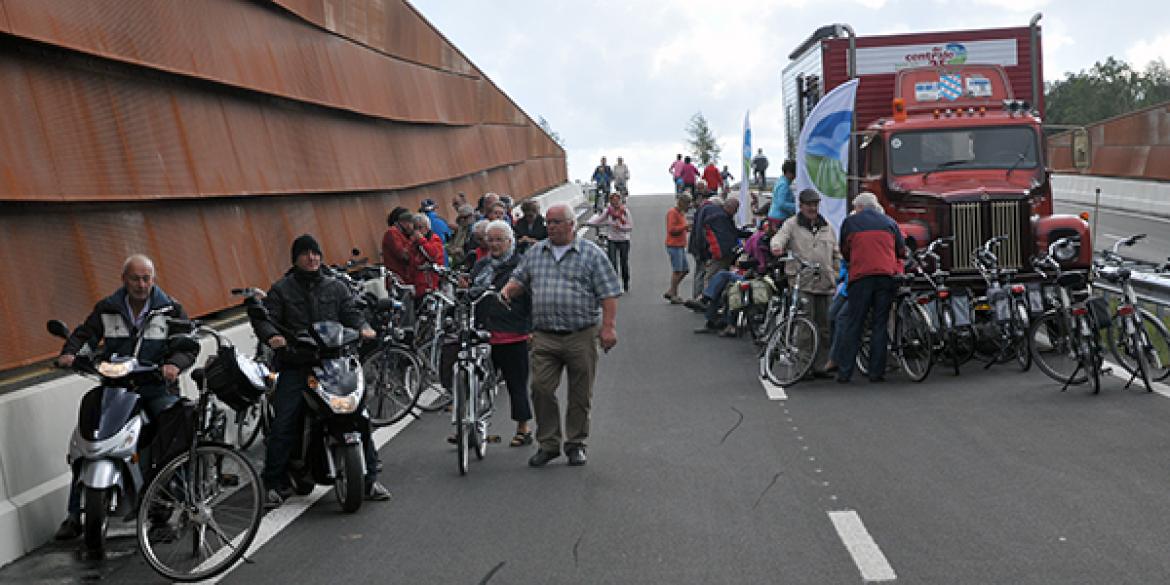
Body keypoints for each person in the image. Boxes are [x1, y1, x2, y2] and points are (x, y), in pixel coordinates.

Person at [52, 255, 199, 540]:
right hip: (115, 388)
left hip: (156, 388)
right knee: (87, 436)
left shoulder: (170, 309)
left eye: (146, 278)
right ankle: (74, 514)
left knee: (172, 432)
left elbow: (187, 345)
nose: (141, 284)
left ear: (153, 280)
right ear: (124, 279)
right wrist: (69, 354)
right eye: (135, 278)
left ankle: (173, 507)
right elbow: (86, 335)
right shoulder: (107, 308)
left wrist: (174, 365)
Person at [250, 235, 389, 507]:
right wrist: (273, 337)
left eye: (315, 253)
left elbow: (352, 313)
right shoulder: (282, 290)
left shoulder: (336, 287)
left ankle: (370, 479)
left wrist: (363, 327)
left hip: (334, 362)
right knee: (285, 422)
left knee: (358, 414)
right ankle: (272, 483)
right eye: (305, 254)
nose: (311, 258)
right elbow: (267, 320)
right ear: (296, 258)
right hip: (297, 364)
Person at [500, 203, 622, 467]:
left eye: (556, 222)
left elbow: (609, 292)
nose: (551, 227)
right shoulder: (536, 252)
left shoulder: (591, 254)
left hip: (581, 333)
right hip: (545, 334)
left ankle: (576, 443)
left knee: (580, 393)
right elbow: (520, 278)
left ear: (571, 225)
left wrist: (608, 327)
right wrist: (509, 290)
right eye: (549, 223)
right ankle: (549, 443)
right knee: (540, 388)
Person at [469, 221, 535, 447]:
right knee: (474, 382)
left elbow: (530, 299)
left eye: (499, 240)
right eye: (491, 240)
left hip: (512, 331)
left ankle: (523, 428)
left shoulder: (521, 266)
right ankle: (470, 425)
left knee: (516, 383)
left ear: (510, 241)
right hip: (482, 331)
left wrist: (531, 328)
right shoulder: (480, 265)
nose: (494, 244)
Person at [770, 189, 841, 377]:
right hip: (803, 282)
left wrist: (839, 269)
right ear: (801, 205)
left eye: (815, 204)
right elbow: (779, 238)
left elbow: (836, 253)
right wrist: (776, 246)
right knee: (805, 329)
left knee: (825, 327)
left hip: (825, 283)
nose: (812, 208)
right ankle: (804, 367)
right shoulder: (791, 225)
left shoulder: (827, 227)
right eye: (809, 204)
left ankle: (821, 365)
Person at [836, 192, 905, 384]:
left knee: (854, 323)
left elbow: (845, 251)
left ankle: (845, 372)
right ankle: (876, 372)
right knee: (880, 324)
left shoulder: (850, 223)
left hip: (861, 277)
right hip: (885, 277)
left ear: (859, 207)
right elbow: (901, 250)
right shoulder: (890, 222)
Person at [587, 192, 634, 292]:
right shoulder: (608, 212)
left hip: (624, 240)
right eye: (613, 201)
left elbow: (630, 226)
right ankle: (615, 284)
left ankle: (626, 282)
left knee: (624, 262)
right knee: (612, 262)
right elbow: (598, 220)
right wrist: (587, 223)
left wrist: (620, 227)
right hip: (612, 239)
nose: (615, 203)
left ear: (620, 201)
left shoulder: (625, 212)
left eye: (617, 201)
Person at [663, 193, 691, 303]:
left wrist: (687, 228)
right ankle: (674, 294)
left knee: (685, 269)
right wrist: (685, 227)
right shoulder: (673, 213)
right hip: (674, 245)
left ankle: (671, 290)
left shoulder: (681, 213)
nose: (689, 206)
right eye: (688, 204)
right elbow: (672, 229)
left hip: (680, 245)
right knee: (677, 270)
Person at [411, 214, 446, 296]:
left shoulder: (434, 239)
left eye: (420, 228)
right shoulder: (414, 242)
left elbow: (433, 256)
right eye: (415, 228)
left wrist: (421, 240)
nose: (417, 231)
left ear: (427, 227)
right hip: (418, 282)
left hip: (432, 281)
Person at [382, 210, 417, 290]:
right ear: (406, 223)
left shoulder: (401, 234)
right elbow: (403, 255)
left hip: (405, 278)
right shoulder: (392, 233)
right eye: (413, 225)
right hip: (398, 280)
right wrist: (413, 241)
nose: (414, 229)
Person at [767, 160, 797, 226]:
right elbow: (782, 203)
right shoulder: (784, 185)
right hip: (779, 218)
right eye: (794, 173)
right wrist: (797, 206)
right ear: (788, 172)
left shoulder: (780, 181)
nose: (795, 177)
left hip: (774, 216)